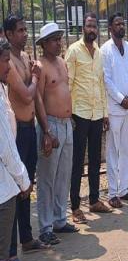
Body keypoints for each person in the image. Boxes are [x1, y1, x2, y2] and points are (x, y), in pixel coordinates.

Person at [3, 14, 48, 261]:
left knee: (26, 186)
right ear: (8, 34)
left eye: (25, 30)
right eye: (20, 30)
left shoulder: (25, 57)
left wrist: (46, 128)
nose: (24, 34)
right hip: (16, 133)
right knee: (13, 190)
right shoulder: (8, 63)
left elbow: (36, 99)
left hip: (30, 129)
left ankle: (27, 239)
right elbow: (26, 93)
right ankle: (10, 254)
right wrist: (34, 76)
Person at [65, 12, 112, 224]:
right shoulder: (74, 51)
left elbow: (101, 84)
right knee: (77, 163)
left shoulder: (100, 53)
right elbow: (67, 84)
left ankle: (94, 200)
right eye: (89, 26)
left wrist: (104, 113)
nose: (92, 29)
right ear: (83, 28)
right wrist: (69, 114)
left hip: (95, 115)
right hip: (79, 115)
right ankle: (75, 207)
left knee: (95, 160)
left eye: (94, 26)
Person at [35, 22, 78, 245]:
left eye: (59, 38)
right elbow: (38, 99)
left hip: (66, 123)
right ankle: (45, 227)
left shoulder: (61, 62)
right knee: (47, 179)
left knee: (63, 174)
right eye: (53, 39)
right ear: (43, 44)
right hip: (50, 125)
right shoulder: (40, 66)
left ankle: (60, 219)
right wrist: (46, 131)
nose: (58, 42)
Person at [0, 38, 31, 261]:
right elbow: (7, 148)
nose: (8, 67)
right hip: (3, 187)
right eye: (4, 61)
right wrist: (23, 179)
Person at [101, 12, 128, 208]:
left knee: (126, 149)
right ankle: (113, 192)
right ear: (110, 28)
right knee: (113, 150)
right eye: (117, 24)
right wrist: (120, 98)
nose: (121, 27)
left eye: (122, 24)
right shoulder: (105, 50)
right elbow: (106, 79)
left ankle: (124, 189)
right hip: (115, 108)